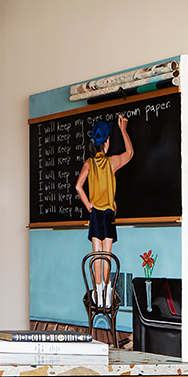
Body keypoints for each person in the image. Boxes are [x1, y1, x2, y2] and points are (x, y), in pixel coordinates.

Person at [74, 114, 134, 307]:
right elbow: (130, 153)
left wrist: (88, 204)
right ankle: (108, 294)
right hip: (108, 214)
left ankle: (98, 293)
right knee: (107, 255)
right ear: (106, 143)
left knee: (96, 256)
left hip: (95, 215)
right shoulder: (111, 162)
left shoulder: (88, 164)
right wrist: (123, 130)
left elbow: (78, 187)